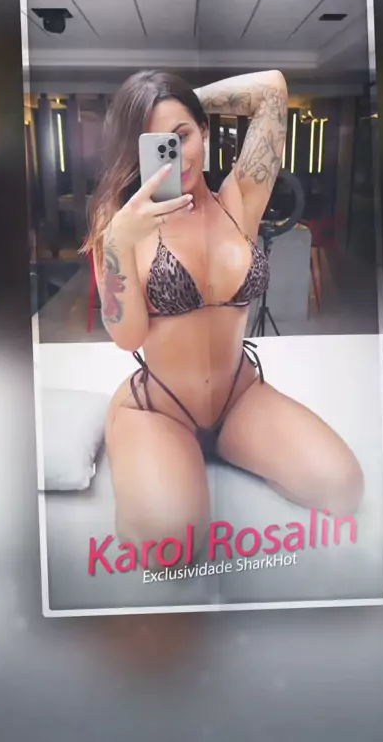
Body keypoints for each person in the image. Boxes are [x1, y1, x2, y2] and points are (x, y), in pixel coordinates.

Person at [82, 69, 363, 561]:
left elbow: (272, 89)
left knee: (343, 489)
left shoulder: (241, 199)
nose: (174, 153)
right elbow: (127, 338)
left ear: (205, 130)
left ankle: (220, 452)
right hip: (161, 406)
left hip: (239, 398)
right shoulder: (122, 221)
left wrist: (185, 98)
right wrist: (121, 244)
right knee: (171, 547)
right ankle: (143, 453)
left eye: (182, 135)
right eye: (154, 143)